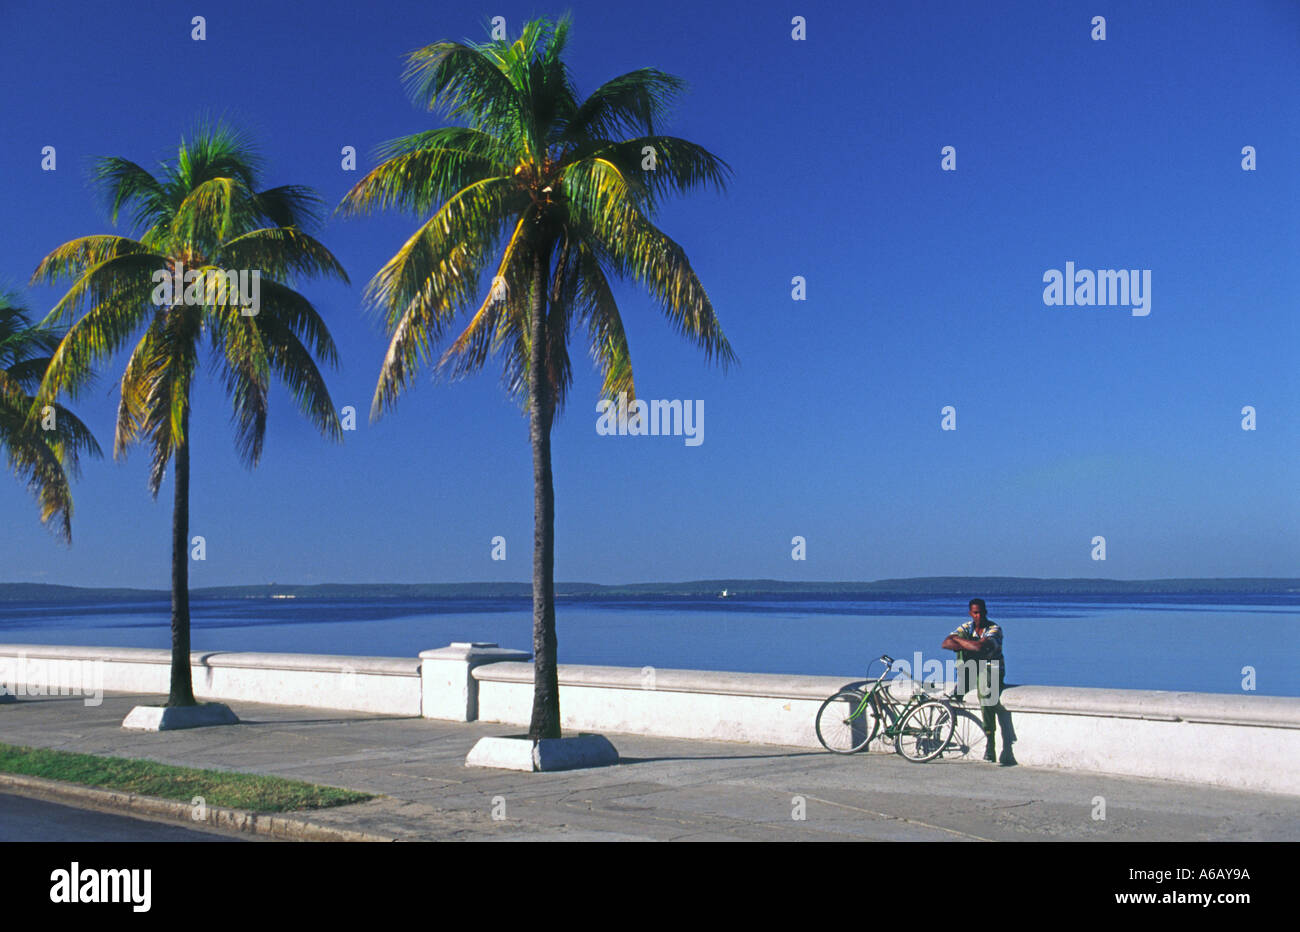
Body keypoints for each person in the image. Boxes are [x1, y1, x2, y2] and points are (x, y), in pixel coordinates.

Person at [941, 598, 1016, 766]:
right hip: (972, 669)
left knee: (986, 695)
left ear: (986, 612)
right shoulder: (966, 627)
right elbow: (945, 643)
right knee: (961, 656)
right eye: (975, 612)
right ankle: (963, 684)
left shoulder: (994, 629)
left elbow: (980, 648)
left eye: (981, 612)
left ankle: (991, 741)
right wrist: (966, 643)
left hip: (992, 669)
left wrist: (958, 641)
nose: (979, 615)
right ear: (970, 613)